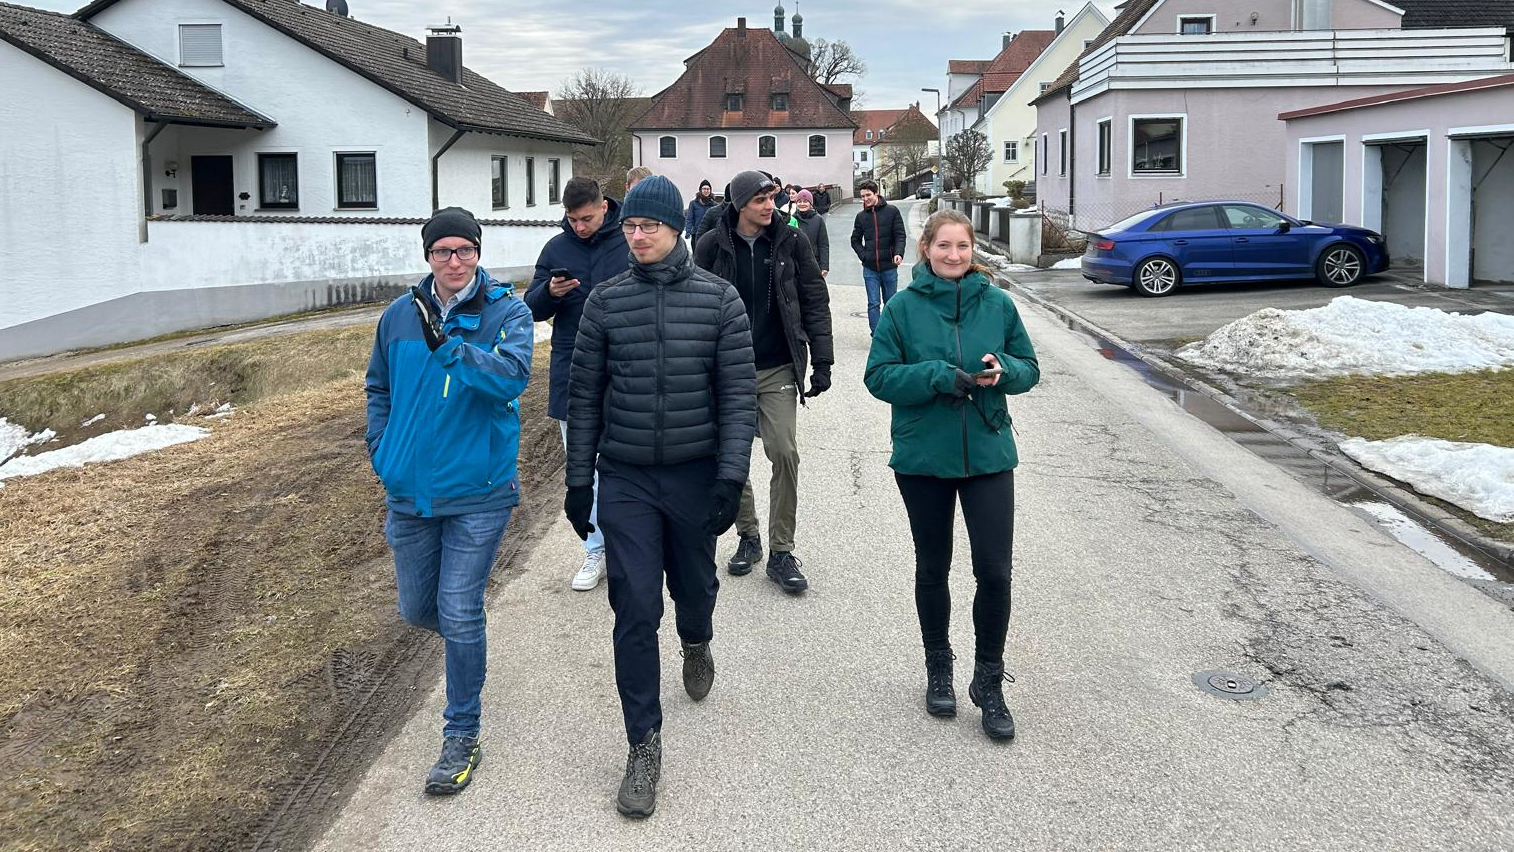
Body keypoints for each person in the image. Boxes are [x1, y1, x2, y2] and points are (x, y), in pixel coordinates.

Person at [565, 175, 757, 818]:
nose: (637, 236)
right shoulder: (604, 303)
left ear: (676, 229)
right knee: (635, 607)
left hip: (694, 474)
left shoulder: (720, 301)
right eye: (630, 227)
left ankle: (698, 640)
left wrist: (730, 478)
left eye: (649, 227)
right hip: (626, 479)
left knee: (695, 589)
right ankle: (643, 745)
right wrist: (578, 478)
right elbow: (584, 396)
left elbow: (738, 399)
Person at [364, 206, 535, 794]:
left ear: (479, 253)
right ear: (428, 256)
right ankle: (470, 647)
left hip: (479, 491)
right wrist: (381, 449)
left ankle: (461, 732)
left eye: (465, 250)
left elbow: (512, 379)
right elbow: (378, 387)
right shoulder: (397, 317)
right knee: (418, 611)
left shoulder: (507, 312)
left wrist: (452, 349)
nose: (455, 261)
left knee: (458, 608)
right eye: (444, 251)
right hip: (409, 490)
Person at [862, 209, 1040, 742]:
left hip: (988, 452)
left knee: (995, 571)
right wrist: (939, 375)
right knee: (933, 566)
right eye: (945, 246)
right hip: (924, 458)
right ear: (926, 248)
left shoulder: (999, 304)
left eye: (963, 246)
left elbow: (1030, 368)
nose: (955, 256)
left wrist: (1004, 371)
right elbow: (878, 376)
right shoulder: (901, 308)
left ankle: (989, 680)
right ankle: (938, 664)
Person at [695, 170, 833, 594]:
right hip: (728, 367)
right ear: (739, 204)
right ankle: (749, 536)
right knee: (730, 456)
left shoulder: (792, 241)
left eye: (772, 198)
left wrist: (822, 361)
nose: (770, 206)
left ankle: (781, 551)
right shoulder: (710, 246)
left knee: (784, 452)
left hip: (776, 366)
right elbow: (694, 305)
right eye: (760, 200)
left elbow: (813, 298)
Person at [524, 176, 629, 590]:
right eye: (572, 219)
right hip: (572, 367)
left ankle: (628, 544)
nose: (580, 227)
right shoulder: (556, 248)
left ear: (604, 206)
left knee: (625, 461)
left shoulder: (629, 239)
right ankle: (594, 548)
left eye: (586, 218)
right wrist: (550, 291)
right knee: (583, 467)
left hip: (625, 365)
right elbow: (531, 309)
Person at [851, 179, 907, 335]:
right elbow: (854, 240)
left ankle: (891, 334)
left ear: (876, 193)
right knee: (873, 303)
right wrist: (864, 256)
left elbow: (900, 235)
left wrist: (898, 253)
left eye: (868, 195)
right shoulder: (861, 216)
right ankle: (877, 335)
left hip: (889, 266)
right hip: (870, 269)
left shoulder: (892, 211)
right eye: (862, 196)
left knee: (890, 304)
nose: (865, 199)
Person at [792, 189, 829, 278]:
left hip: (813, 262)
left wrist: (824, 266)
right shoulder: (792, 219)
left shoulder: (818, 220)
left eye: (805, 201)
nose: (802, 204)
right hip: (795, 263)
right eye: (799, 201)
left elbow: (823, 244)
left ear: (811, 203)